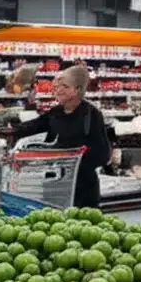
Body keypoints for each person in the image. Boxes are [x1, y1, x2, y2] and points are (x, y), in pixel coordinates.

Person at [13, 65, 110, 208]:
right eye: (57, 86)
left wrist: (74, 160)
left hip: (83, 186)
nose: (58, 90)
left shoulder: (91, 115)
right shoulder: (56, 112)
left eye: (64, 86)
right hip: (54, 181)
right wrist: (7, 129)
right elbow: (33, 126)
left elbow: (103, 154)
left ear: (77, 90)